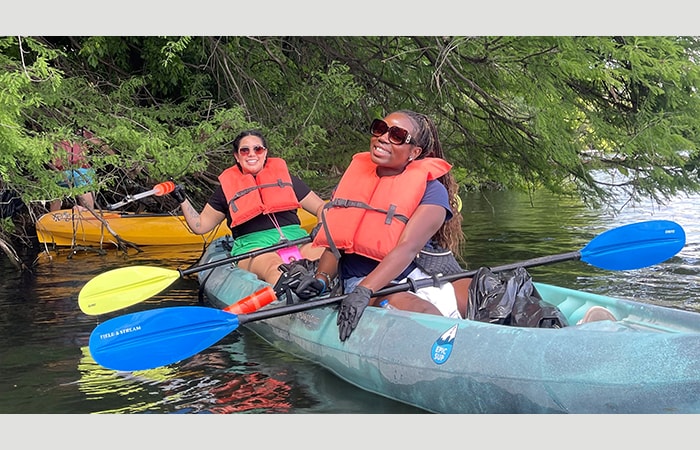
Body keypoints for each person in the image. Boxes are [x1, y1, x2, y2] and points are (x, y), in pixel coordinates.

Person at [294, 109, 468, 341]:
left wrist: (365, 291)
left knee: (489, 291)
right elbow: (336, 244)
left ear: (414, 152)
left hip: (415, 275)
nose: (383, 137)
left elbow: (408, 247)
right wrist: (322, 279)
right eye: (380, 129)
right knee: (427, 315)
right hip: (364, 280)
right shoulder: (353, 181)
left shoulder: (432, 191)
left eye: (397, 135)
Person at [174, 129, 326, 286]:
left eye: (257, 149)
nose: (252, 154)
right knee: (275, 266)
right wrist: (182, 200)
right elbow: (200, 225)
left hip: (298, 240)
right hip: (255, 249)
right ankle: (292, 300)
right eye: (245, 150)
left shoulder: (285, 180)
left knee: (328, 256)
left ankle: (322, 290)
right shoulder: (226, 190)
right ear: (237, 157)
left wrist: (321, 226)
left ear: (265, 153)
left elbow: (322, 207)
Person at [48, 127, 102, 212]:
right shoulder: (54, 133)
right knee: (84, 184)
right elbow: (100, 144)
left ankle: (54, 215)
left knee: (58, 191)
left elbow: (98, 143)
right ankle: (89, 212)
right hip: (71, 169)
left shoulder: (54, 132)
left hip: (64, 170)